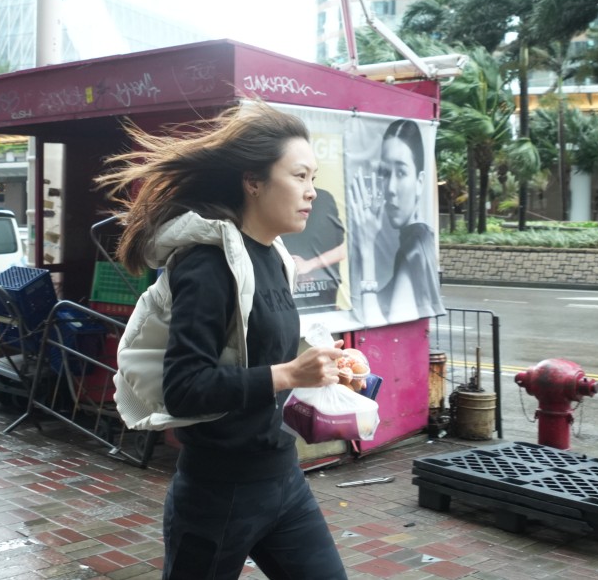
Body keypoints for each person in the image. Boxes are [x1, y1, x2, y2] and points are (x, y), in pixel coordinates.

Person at [98, 103, 349, 579]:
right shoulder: (208, 264)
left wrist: (320, 363)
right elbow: (186, 386)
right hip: (219, 494)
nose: (311, 192)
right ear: (253, 181)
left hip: (282, 478)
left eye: (313, 178)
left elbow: (258, 351)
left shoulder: (274, 257)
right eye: (299, 176)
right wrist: (288, 374)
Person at [348, 118, 444, 325]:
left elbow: (379, 321)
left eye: (401, 173)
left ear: (420, 183)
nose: (390, 188)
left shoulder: (414, 247)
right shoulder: (418, 239)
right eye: (384, 173)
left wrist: (367, 248)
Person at [282, 186, 347, 312]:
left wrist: (310, 265)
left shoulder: (324, 199)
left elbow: (342, 250)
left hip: (322, 300)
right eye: (300, 176)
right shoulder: (276, 202)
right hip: (286, 299)